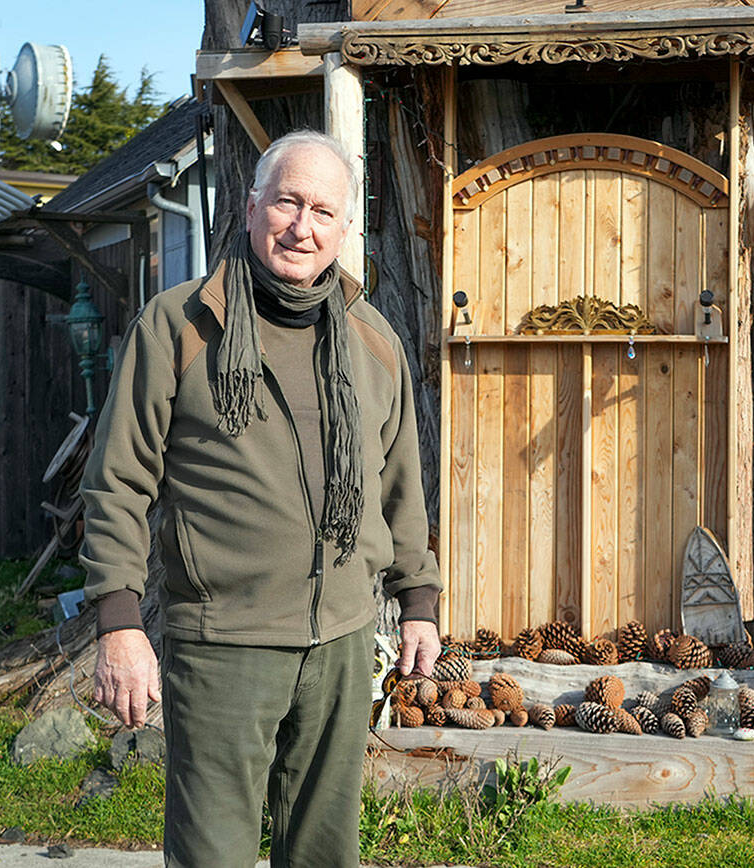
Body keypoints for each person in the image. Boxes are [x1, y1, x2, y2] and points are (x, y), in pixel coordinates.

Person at [79, 129, 442, 867]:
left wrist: (420, 602)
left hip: (341, 645)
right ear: (251, 210)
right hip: (222, 647)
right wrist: (119, 623)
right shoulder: (178, 328)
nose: (301, 227)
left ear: (346, 229)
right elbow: (118, 482)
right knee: (212, 854)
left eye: (322, 211)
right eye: (286, 202)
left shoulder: (374, 343)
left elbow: (399, 484)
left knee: (323, 856)